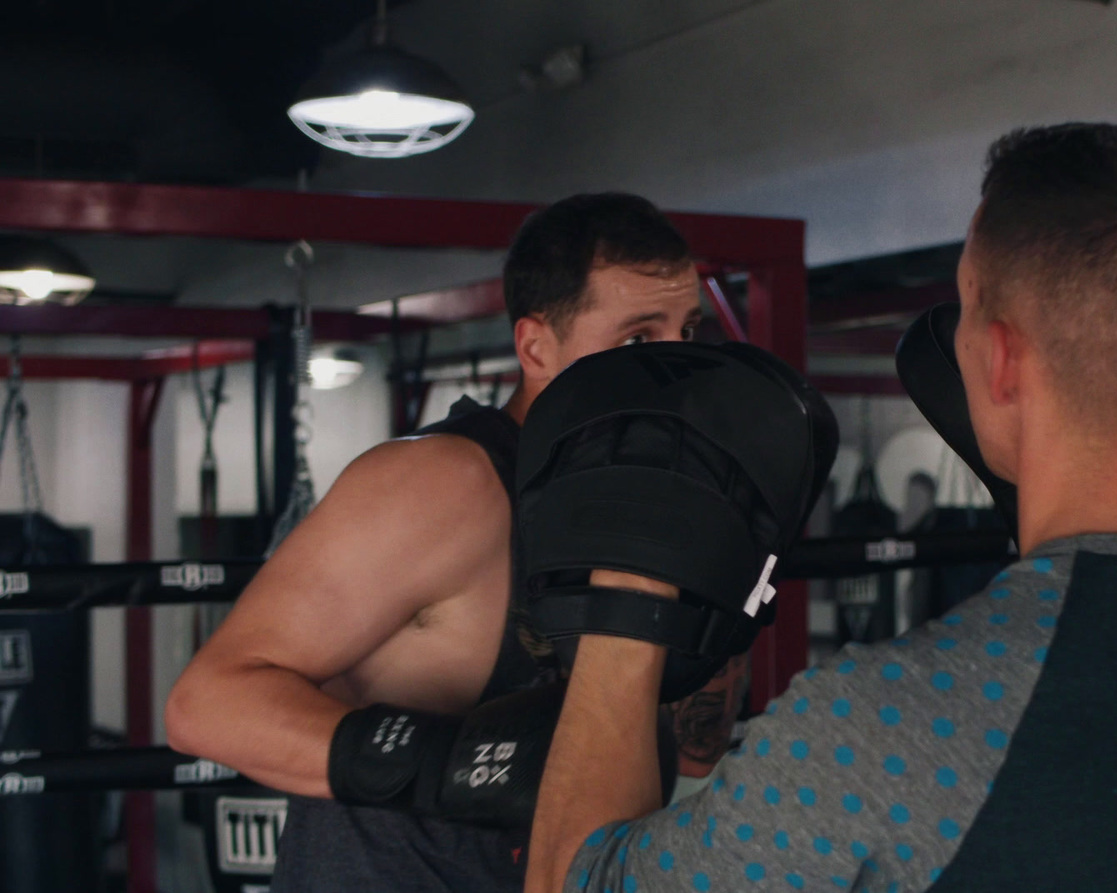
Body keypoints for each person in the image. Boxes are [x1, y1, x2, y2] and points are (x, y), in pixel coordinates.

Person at [519, 124, 1117, 893]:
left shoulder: (880, 727)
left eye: (968, 303)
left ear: (1005, 360)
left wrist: (633, 583)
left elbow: (573, 877)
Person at [165, 193, 748, 892]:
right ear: (536, 346)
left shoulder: (657, 495)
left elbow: (691, 750)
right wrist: (456, 766)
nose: (675, 366)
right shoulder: (441, 485)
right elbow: (206, 705)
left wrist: (708, 640)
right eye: (635, 339)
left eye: (686, 331)